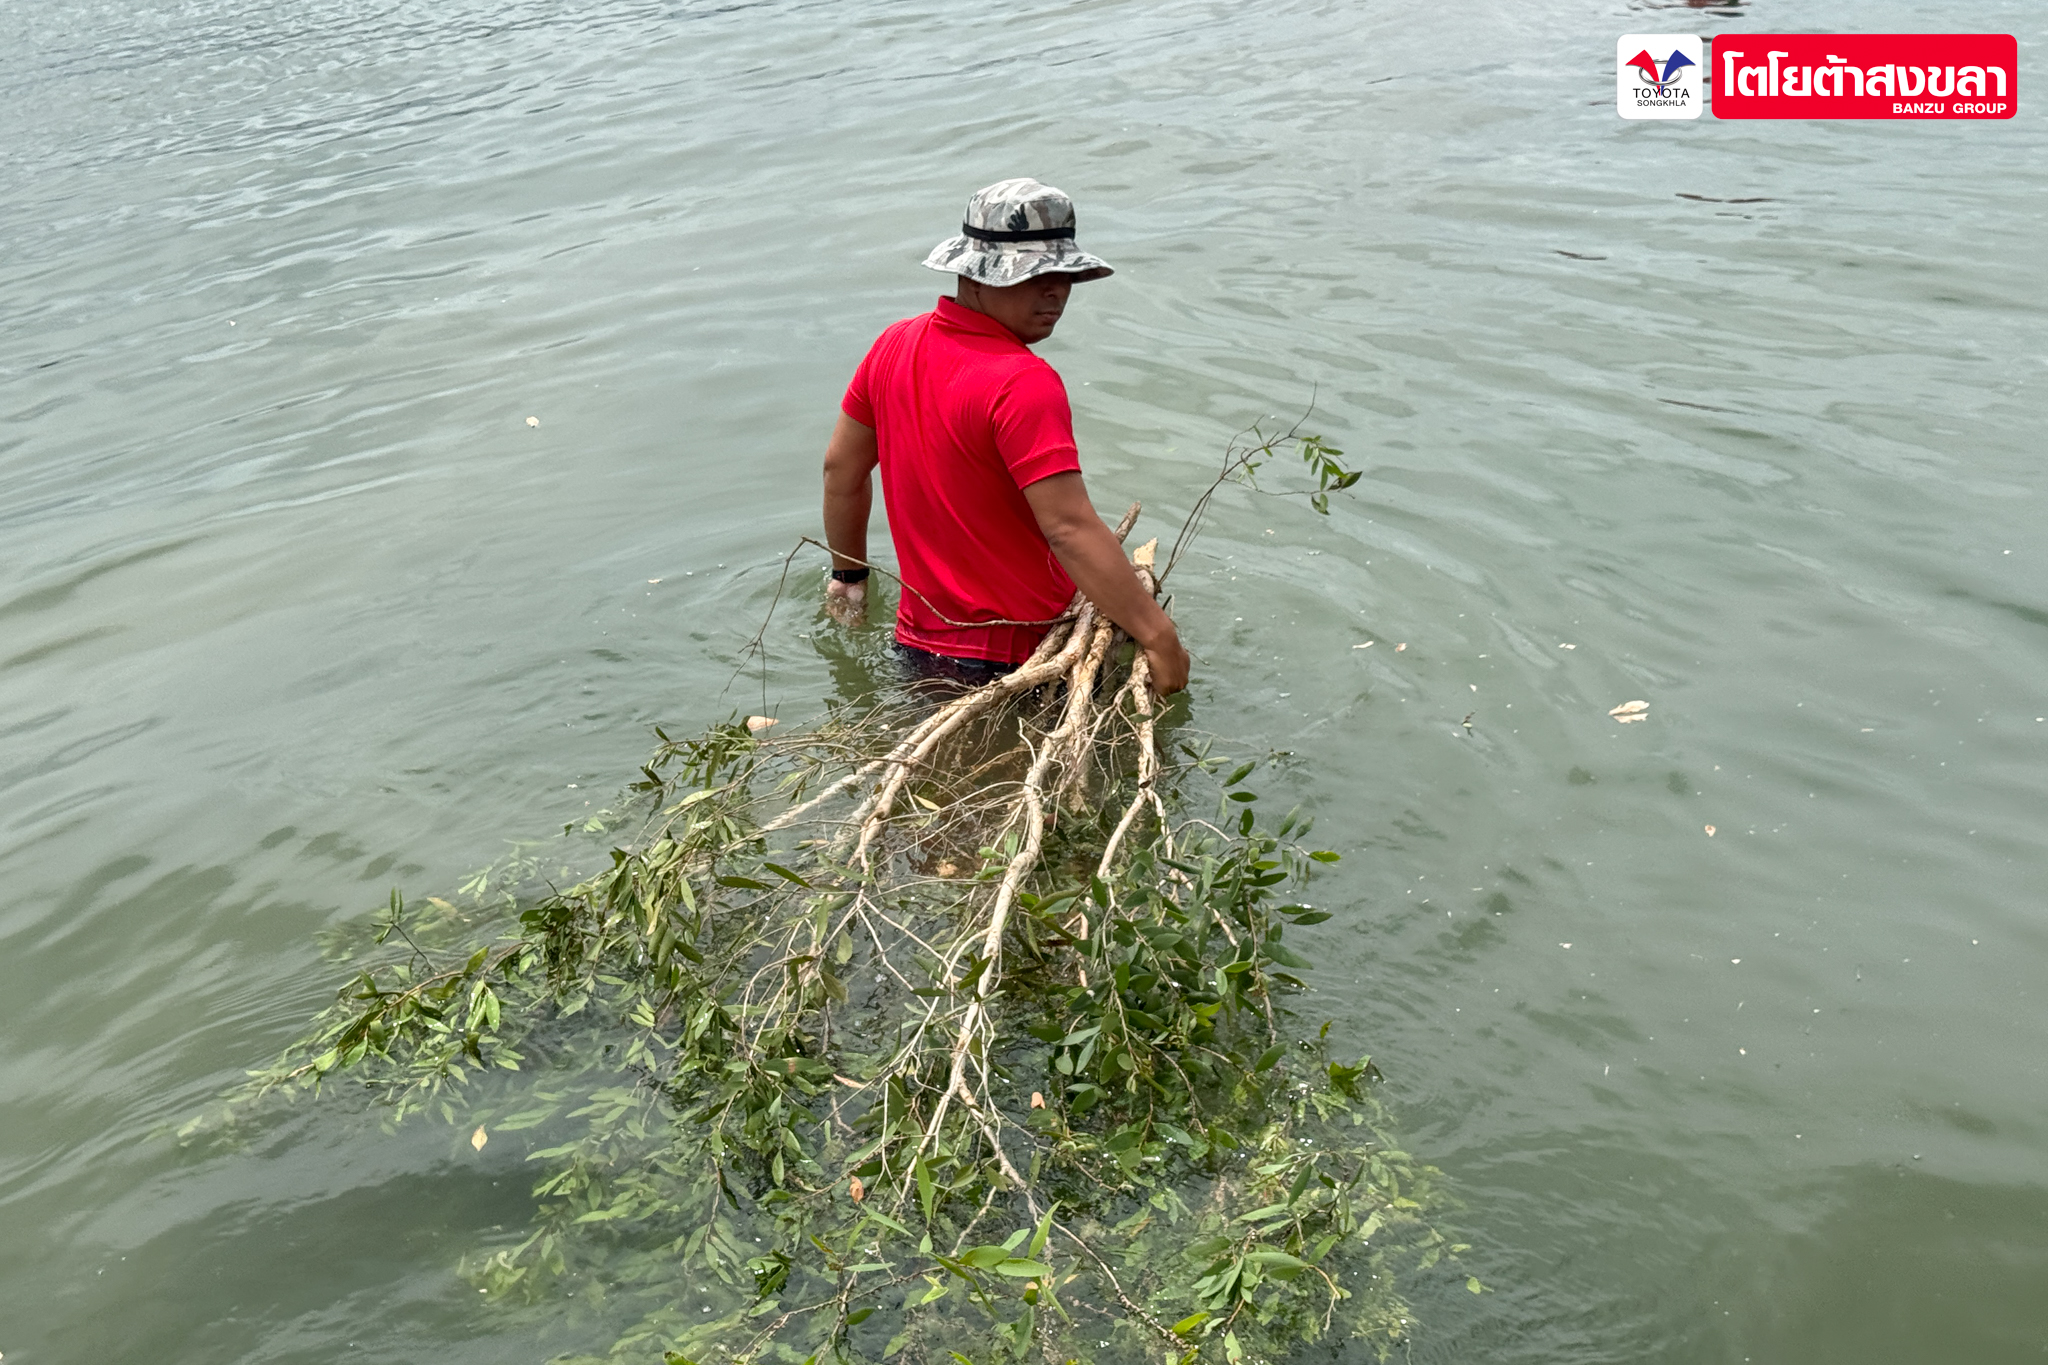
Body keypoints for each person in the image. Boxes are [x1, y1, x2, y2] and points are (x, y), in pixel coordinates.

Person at [821, 177, 1190, 695]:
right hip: (1025, 659)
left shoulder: (894, 345)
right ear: (973, 276)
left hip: (917, 650)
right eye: (1033, 275)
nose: (1055, 290)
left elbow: (840, 471)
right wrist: (1158, 635)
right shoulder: (1023, 381)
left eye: (1063, 274)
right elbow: (1068, 528)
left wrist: (849, 577)